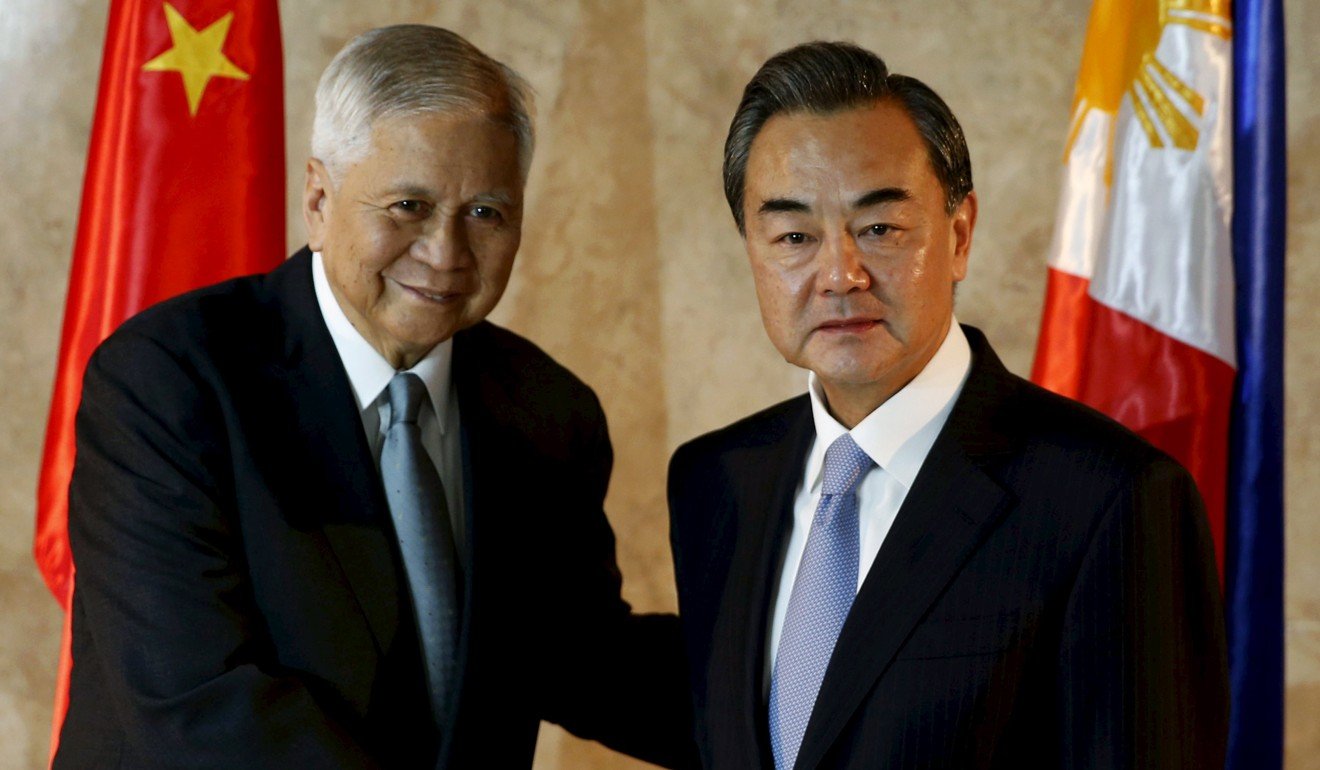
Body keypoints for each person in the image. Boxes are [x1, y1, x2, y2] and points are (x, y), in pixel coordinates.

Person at [57, 25, 693, 769]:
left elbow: (586, 660)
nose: (446, 254)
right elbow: (199, 706)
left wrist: (818, 699)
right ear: (319, 199)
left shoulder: (548, 411)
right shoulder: (167, 381)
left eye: (486, 213)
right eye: (408, 207)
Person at [668, 41, 1228, 769]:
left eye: (879, 229)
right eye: (795, 236)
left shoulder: (1110, 502)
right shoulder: (715, 481)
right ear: (752, 248)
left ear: (958, 235)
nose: (840, 274)